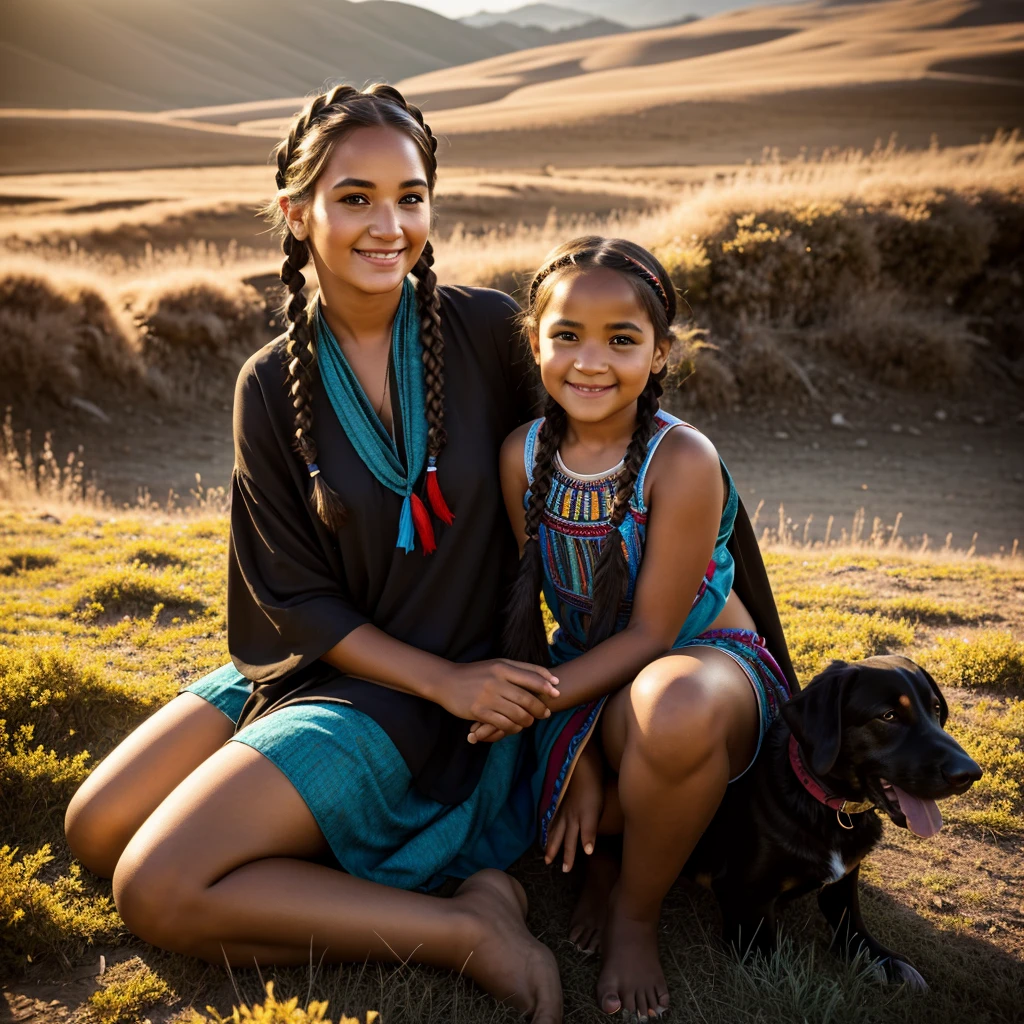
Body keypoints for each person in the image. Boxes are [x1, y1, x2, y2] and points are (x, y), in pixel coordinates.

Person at [63, 84, 564, 1024]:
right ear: (297, 213)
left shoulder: (491, 331)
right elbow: (291, 595)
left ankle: (471, 927)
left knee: (156, 888)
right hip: (320, 658)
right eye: (356, 197)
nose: (390, 224)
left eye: (410, 197)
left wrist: (498, 692)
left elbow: (592, 484)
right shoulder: (267, 382)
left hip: (440, 691)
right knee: (94, 828)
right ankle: (323, 846)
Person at [486, 236, 799, 1020]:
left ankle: (635, 911)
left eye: (622, 339)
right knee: (597, 795)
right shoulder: (520, 456)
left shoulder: (681, 459)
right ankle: (605, 856)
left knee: (676, 707)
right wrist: (581, 761)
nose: (591, 361)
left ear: (660, 354)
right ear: (535, 343)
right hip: (590, 674)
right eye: (567, 335)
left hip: (702, 668)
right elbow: (546, 613)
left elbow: (654, 634)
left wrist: (540, 711)